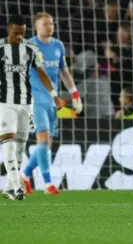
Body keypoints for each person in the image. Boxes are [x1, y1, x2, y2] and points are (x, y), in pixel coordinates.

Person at [0, 14, 62, 201]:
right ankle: (17, 186)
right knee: (9, 141)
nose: (19, 37)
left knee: (20, 146)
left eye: (22, 33)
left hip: (26, 103)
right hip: (5, 102)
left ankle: (10, 187)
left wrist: (54, 95)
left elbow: (41, 72)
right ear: (8, 29)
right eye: (16, 33)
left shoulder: (30, 49)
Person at [21, 12, 83, 195]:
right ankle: (48, 184)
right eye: (45, 24)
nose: (49, 26)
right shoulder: (29, 46)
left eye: (51, 23)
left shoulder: (58, 46)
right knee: (43, 137)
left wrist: (74, 93)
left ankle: (24, 175)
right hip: (34, 99)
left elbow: (64, 71)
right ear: (36, 27)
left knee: (47, 144)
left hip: (52, 100)